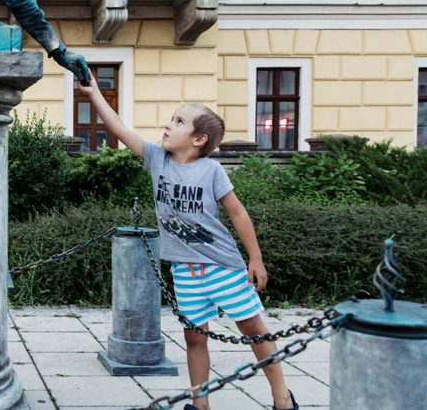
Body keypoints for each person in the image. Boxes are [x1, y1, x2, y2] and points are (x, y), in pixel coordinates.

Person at [78, 74, 299, 410]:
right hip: (185, 271)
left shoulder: (212, 171)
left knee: (252, 328)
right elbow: (121, 130)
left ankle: (282, 398)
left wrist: (256, 259)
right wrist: (94, 94)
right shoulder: (157, 159)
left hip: (223, 265)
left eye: (178, 121)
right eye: (171, 119)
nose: (168, 125)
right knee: (194, 337)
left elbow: (238, 214)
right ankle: (200, 405)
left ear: (199, 139)